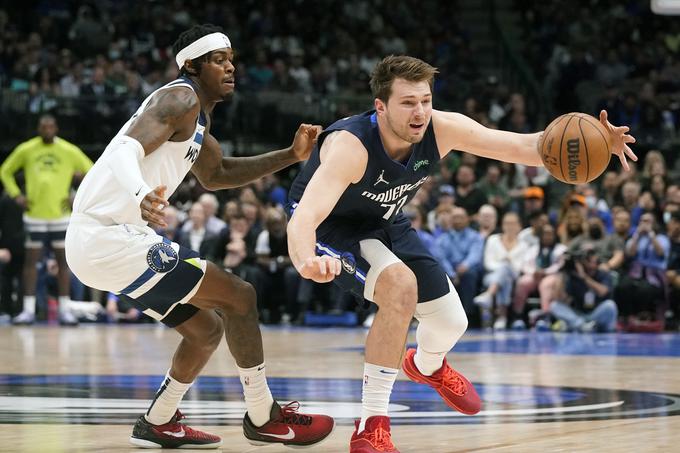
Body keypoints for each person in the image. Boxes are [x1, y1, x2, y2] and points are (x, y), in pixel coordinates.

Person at [286, 55, 636, 453]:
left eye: (425, 100)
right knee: (400, 288)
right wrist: (305, 260)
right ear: (380, 106)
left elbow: (524, 145)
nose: (420, 112)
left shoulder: (440, 128)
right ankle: (371, 426)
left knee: (452, 322)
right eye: (407, 103)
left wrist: (593, 141)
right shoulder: (350, 146)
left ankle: (426, 366)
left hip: (384, 222)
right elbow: (305, 216)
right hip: (330, 228)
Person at [64, 24, 333, 449]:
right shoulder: (180, 96)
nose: (231, 67)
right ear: (192, 64)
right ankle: (264, 415)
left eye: (233, 60)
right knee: (240, 296)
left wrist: (290, 156)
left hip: (106, 243)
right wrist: (141, 194)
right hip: (108, 235)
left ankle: (159, 420)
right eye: (220, 59)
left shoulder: (198, 118)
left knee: (205, 330)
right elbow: (121, 151)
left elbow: (217, 174)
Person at [0, 114, 93, 326]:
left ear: (56, 128)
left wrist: (76, 196)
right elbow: (5, 170)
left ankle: (65, 310)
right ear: (38, 129)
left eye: (50, 126)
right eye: (43, 126)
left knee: (63, 262)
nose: (47, 129)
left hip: (61, 216)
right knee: (31, 262)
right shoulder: (27, 149)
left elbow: (93, 171)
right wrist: (16, 195)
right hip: (34, 215)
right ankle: (28, 310)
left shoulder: (68, 150)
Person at [549, 246, 619, 332]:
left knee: (610, 305)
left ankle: (587, 327)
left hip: (597, 312)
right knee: (554, 305)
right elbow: (560, 298)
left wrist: (584, 277)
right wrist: (562, 273)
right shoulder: (573, 275)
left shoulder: (603, 274)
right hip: (579, 314)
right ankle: (582, 325)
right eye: (586, 259)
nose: (587, 262)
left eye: (590, 259)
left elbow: (603, 292)